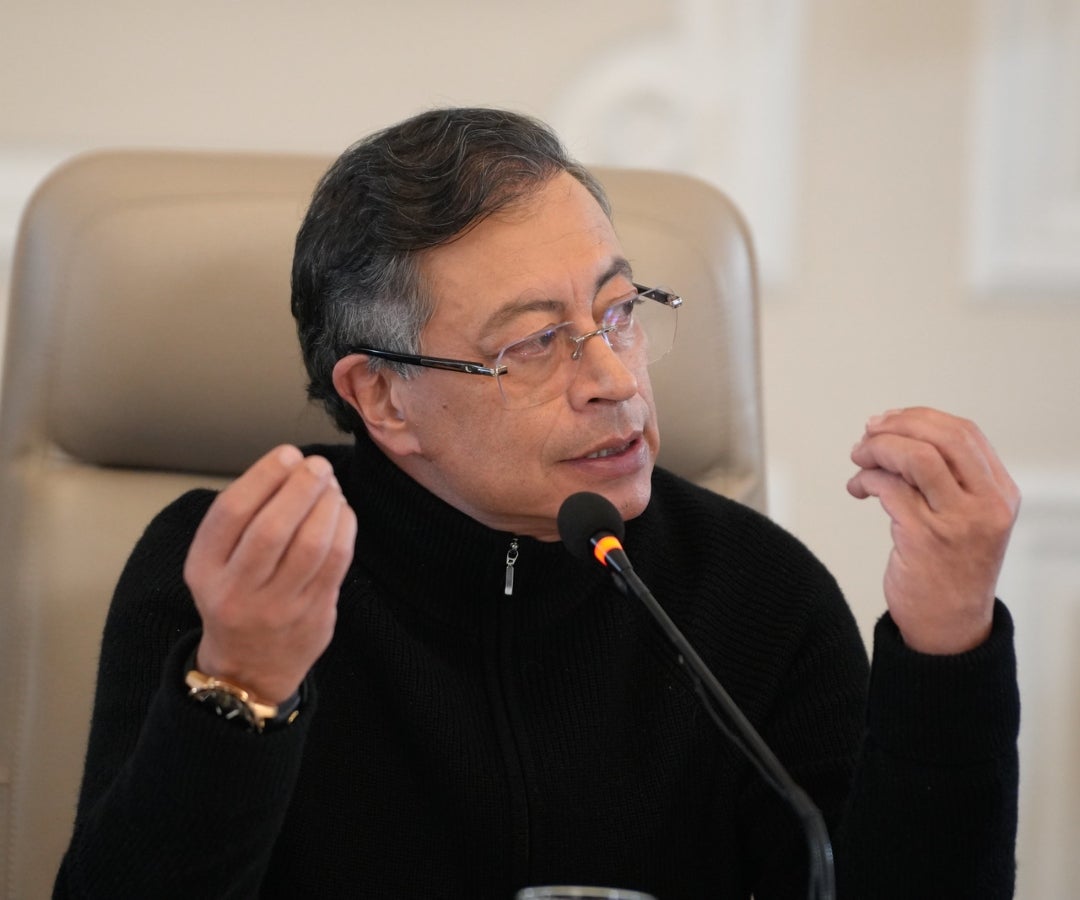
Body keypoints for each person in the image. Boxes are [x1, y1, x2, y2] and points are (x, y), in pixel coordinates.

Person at [54, 107, 1021, 899]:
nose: (614, 380)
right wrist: (244, 686)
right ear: (384, 398)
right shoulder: (239, 574)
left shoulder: (755, 591)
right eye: (532, 344)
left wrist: (948, 643)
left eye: (618, 312)